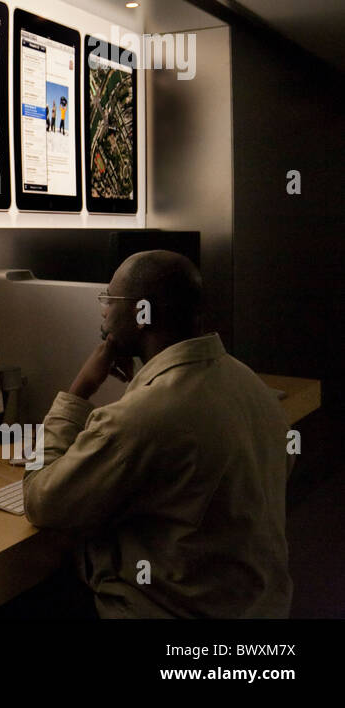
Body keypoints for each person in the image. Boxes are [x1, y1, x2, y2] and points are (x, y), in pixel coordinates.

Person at [23, 250, 293, 617]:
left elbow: (41, 501)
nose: (103, 309)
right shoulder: (250, 385)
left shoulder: (142, 418)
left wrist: (77, 393)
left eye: (110, 300)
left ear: (141, 313)